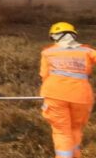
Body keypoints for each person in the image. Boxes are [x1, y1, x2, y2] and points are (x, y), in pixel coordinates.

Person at [40, 22, 96, 158]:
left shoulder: (48, 52)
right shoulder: (88, 51)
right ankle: (75, 155)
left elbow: (44, 75)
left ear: (55, 36)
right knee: (76, 129)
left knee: (61, 132)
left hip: (54, 95)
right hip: (81, 97)